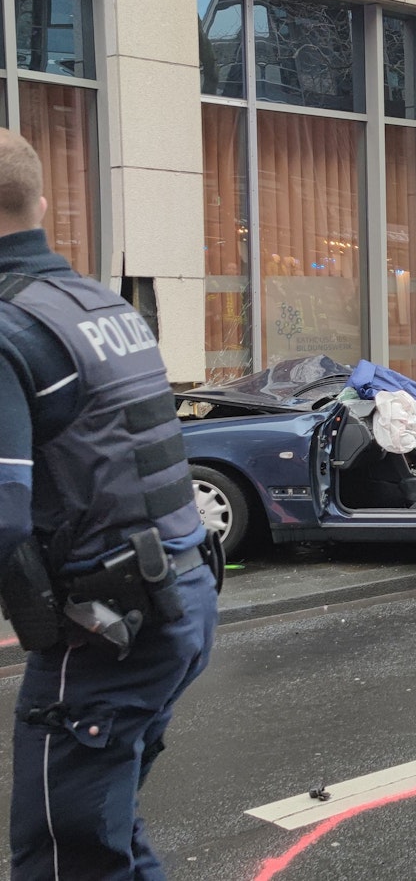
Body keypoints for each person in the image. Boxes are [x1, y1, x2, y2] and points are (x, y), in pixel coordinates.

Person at [0, 127, 220, 879]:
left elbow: (2, 511)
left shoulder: (10, 325)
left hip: (104, 631)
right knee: (106, 831)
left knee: (64, 854)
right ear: (42, 203)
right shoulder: (95, 303)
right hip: (177, 597)